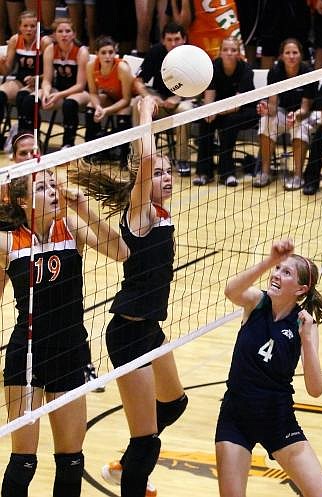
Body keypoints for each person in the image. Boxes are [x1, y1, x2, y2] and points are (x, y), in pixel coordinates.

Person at [72, 95, 188, 497]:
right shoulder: (140, 215)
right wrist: (143, 113)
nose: (167, 178)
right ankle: (129, 473)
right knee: (148, 440)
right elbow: (144, 157)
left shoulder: (162, 213)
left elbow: (149, 163)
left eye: (170, 172)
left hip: (150, 330)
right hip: (127, 334)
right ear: (142, 179)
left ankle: (125, 464)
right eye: (159, 174)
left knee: (174, 404)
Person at [0, 131, 127, 497]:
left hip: (71, 353)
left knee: (71, 460)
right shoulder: (9, 242)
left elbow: (120, 253)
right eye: (43, 189)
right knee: (23, 462)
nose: (53, 192)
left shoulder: (70, 227)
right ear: (24, 201)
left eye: (53, 186)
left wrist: (85, 207)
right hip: (26, 354)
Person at [216, 238, 322, 497]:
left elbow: (316, 389)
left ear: (300, 289)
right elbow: (231, 291)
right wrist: (270, 260)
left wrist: (307, 340)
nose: (276, 275)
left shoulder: (304, 325)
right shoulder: (256, 302)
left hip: (276, 418)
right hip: (236, 416)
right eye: (278, 269)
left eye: (285, 272)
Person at [254, 38, 318, 190]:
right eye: (287, 53)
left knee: (300, 128)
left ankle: (298, 176)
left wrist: (295, 115)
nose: (291, 56)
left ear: (301, 55)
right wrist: (266, 109)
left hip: (303, 114)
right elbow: (273, 105)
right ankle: (265, 173)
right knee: (266, 121)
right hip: (282, 112)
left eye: (295, 53)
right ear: (281, 56)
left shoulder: (308, 73)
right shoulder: (275, 72)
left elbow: (305, 108)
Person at [193, 36, 257, 187]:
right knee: (206, 121)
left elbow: (236, 105)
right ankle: (204, 172)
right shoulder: (213, 67)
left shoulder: (246, 70)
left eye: (233, 50)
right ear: (220, 52)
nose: (229, 53)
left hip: (245, 110)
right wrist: (209, 112)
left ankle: (227, 173)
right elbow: (209, 94)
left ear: (239, 53)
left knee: (230, 121)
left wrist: (216, 112)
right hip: (219, 109)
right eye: (225, 50)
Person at [132, 21, 194, 177]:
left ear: (184, 39)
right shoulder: (155, 52)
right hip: (160, 98)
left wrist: (178, 97)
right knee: (136, 105)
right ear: (163, 40)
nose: (173, 44)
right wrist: (149, 98)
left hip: (185, 97)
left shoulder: (193, 55)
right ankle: (138, 158)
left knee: (184, 110)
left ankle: (182, 160)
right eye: (169, 40)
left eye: (177, 39)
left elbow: (200, 87)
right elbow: (138, 81)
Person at [19, 17, 90, 149]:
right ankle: (32, 142)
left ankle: (67, 144)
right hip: (58, 89)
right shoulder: (51, 49)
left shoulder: (81, 51)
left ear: (74, 34)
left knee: (69, 104)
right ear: (54, 35)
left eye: (68, 31)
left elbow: (80, 85)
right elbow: (47, 79)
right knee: (30, 100)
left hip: (79, 91)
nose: (64, 34)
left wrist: (58, 95)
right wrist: (46, 92)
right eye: (60, 31)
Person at [0, 10, 51, 148]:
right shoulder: (15, 40)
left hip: (41, 82)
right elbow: (7, 70)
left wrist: (37, 78)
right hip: (20, 80)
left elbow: (52, 72)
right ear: (19, 27)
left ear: (38, 27)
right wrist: (1, 62)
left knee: (25, 98)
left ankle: (29, 138)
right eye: (26, 26)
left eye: (33, 26)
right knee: (0, 94)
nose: (29, 29)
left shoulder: (45, 42)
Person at [85, 35, 134, 167]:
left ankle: (124, 157)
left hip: (128, 100)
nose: (108, 56)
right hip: (110, 97)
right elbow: (93, 93)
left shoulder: (122, 68)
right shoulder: (91, 66)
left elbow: (126, 99)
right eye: (103, 53)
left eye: (111, 52)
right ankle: (90, 153)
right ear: (96, 54)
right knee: (91, 109)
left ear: (115, 53)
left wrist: (105, 111)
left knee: (123, 115)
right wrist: (98, 108)